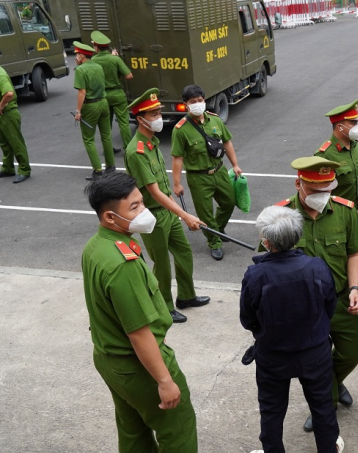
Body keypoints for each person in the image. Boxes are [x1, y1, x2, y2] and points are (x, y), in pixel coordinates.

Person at [82, 172, 198, 452]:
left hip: (111, 360)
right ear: (109, 217)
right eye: (134, 207)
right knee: (178, 430)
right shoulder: (124, 265)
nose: (144, 212)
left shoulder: (96, 247)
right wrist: (165, 380)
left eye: (142, 203)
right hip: (139, 366)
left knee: (133, 432)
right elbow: (138, 333)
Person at [271, 156, 358, 433]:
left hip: (341, 299)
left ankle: (332, 385)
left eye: (328, 189)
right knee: (314, 361)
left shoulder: (345, 210)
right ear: (298, 183)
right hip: (302, 310)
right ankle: (324, 405)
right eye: (316, 190)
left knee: (354, 348)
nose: (323, 196)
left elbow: (354, 252)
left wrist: (355, 288)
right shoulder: (280, 217)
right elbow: (270, 264)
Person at [240, 206, 345, 453]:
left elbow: (248, 319)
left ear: (266, 242)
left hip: (273, 356)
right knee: (322, 406)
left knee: (271, 410)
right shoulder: (318, 267)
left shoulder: (256, 275)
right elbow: (329, 307)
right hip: (315, 353)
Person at [124, 88, 210, 324]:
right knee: (161, 265)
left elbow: (164, 188)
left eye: (159, 112)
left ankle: (186, 296)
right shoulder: (136, 151)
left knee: (184, 253)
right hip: (152, 216)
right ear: (140, 118)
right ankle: (165, 307)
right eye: (153, 114)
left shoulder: (151, 143)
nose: (158, 117)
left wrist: (181, 215)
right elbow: (153, 191)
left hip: (168, 213)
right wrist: (185, 215)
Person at [171, 84, 242, 261]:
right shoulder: (180, 129)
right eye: (193, 102)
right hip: (198, 177)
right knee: (205, 214)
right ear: (186, 104)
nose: (197, 104)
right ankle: (214, 243)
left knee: (229, 202)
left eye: (200, 100)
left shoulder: (215, 120)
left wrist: (235, 165)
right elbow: (177, 158)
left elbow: (227, 143)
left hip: (220, 171)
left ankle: (217, 228)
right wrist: (177, 183)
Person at [314, 99, 358, 306]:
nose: (357, 127)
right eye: (353, 123)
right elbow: (316, 189)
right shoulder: (325, 155)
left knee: (354, 255)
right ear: (340, 126)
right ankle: (334, 297)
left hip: (355, 214)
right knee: (337, 259)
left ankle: (354, 291)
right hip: (335, 217)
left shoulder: (355, 147)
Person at [73, 41, 115, 181]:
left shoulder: (80, 70)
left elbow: (82, 92)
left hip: (90, 106)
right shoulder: (98, 66)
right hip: (103, 102)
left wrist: (78, 111)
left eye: (77, 54)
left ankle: (97, 170)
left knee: (88, 139)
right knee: (106, 136)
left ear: (81, 56)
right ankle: (111, 166)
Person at [91, 30, 133, 153]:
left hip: (102, 95)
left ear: (97, 47)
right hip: (117, 94)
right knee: (123, 123)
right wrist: (116, 60)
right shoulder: (115, 59)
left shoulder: (93, 60)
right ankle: (128, 148)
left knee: (105, 125)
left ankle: (108, 150)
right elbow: (129, 75)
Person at [0, 64, 31, 183]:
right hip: (3, 114)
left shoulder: (0, 74)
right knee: (4, 143)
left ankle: (24, 170)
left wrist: (1, 106)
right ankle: (8, 168)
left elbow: (9, 93)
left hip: (8, 113)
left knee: (16, 142)